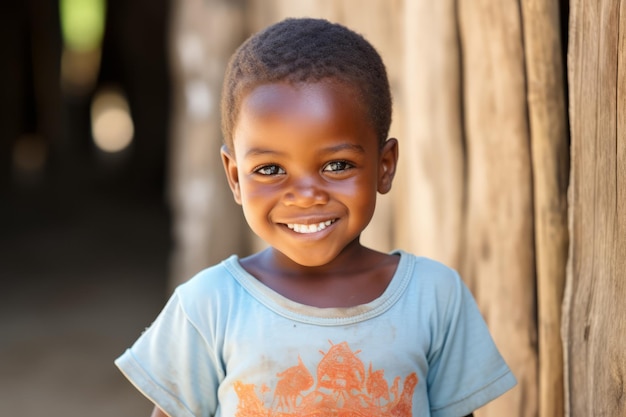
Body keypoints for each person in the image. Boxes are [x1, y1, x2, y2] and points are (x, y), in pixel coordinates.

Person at [115, 17, 516, 417]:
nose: (305, 196)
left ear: (384, 165)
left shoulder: (434, 298)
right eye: (270, 169)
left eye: (337, 165)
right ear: (235, 178)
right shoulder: (208, 307)